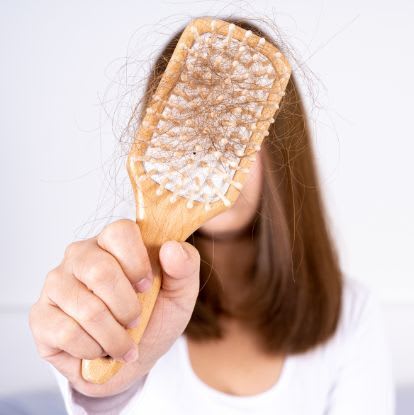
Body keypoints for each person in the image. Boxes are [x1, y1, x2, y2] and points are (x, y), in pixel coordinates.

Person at [29, 17, 394, 415]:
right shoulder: (116, 299)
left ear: (282, 150)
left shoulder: (353, 314)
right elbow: (97, 390)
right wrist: (110, 387)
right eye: (189, 131)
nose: (207, 156)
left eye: (231, 134)